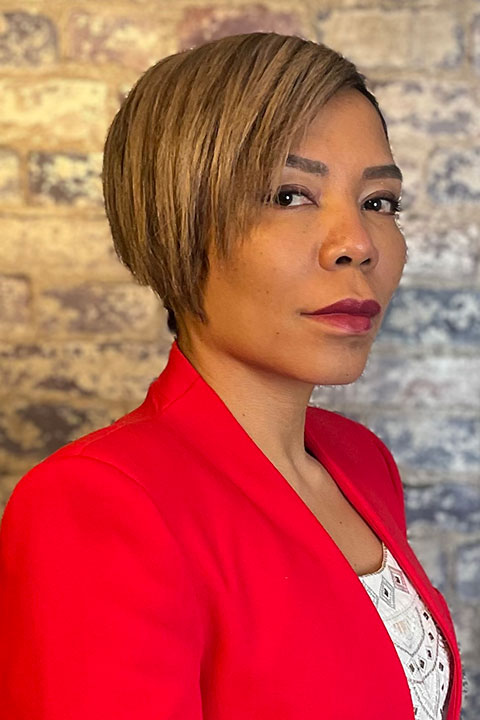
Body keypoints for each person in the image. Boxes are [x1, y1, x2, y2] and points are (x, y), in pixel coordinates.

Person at [0, 32, 462, 720]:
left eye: (379, 202)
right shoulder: (96, 505)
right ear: (177, 222)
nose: (358, 244)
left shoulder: (362, 462)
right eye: (290, 195)